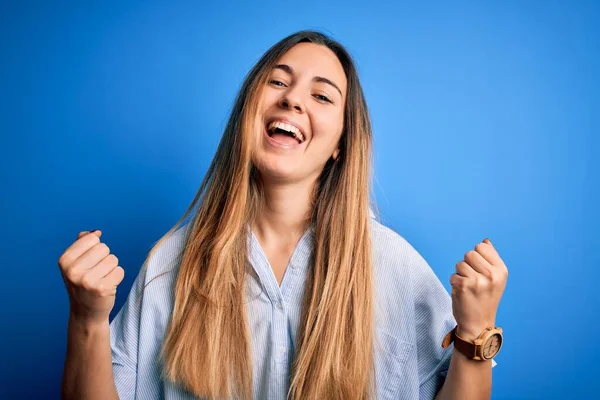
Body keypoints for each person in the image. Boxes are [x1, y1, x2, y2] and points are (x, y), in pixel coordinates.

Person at [59, 30, 508, 400]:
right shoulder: (171, 264)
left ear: (340, 146)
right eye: (277, 82)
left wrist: (476, 332)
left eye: (322, 96)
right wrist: (88, 319)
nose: (293, 100)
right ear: (247, 112)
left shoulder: (393, 267)